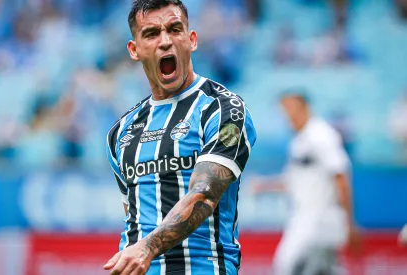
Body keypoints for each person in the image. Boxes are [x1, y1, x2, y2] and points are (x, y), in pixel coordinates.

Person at [104, 1, 257, 274]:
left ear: (191, 39)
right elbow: (133, 216)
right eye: (151, 34)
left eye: (175, 29)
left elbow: (205, 195)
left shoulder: (223, 110)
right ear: (134, 49)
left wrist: (148, 248)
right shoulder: (122, 131)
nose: (165, 41)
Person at [254, 91, 360, 275]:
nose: (287, 115)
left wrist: (350, 222)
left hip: (318, 217)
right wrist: (264, 186)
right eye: (283, 111)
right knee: (324, 269)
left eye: (289, 109)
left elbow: (341, 175)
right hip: (308, 216)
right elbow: (293, 182)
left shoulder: (320, 134)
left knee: (287, 265)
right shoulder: (300, 140)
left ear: (304, 107)